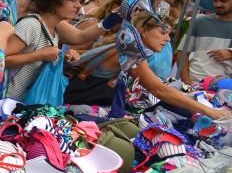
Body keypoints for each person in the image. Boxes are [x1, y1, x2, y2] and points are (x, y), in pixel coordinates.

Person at [67, 12, 231, 119]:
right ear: (144, 31)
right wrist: (209, 111)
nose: (167, 39)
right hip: (75, 99)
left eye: (169, 34)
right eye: (162, 32)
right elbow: (158, 89)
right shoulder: (130, 51)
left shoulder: (127, 47)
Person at [5, 0, 106, 101]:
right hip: (5, 102)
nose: (78, 5)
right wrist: (40, 55)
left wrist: (60, 56)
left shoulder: (53, 30)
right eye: (72, 0)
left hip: (20, 103)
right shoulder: (31, 24)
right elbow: (1, 59)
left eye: (79, 0)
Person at [179, 0, 232, 83]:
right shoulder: (199, 21)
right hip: (196, 83)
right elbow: (182, 53)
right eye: (215, 0)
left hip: (226, 89)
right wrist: (187, 82)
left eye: (223, 1)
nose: (218, 5)